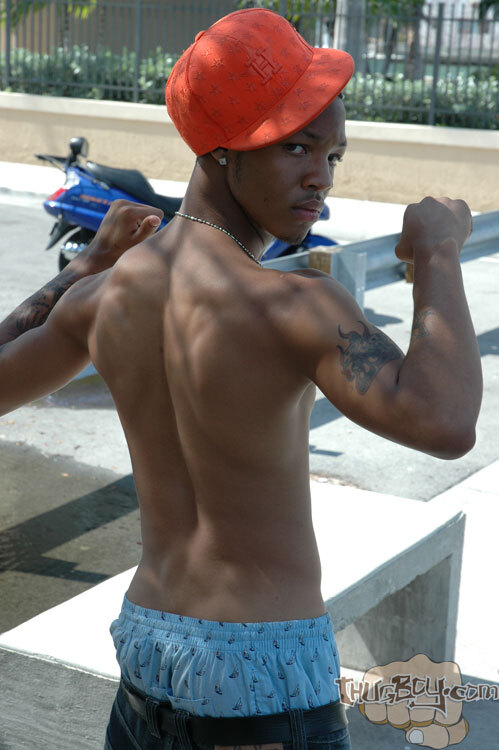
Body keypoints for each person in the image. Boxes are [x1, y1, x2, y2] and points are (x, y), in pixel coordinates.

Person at [0, 7, 482, 750]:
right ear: (222, 150)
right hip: (263, 684)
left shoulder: (102, 297)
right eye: (295, 146)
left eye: (332, 154)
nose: (320, 177)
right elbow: (443, 422)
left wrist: (84, 267)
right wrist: (440, 255)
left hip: (146, 653)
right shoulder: (294, 305)